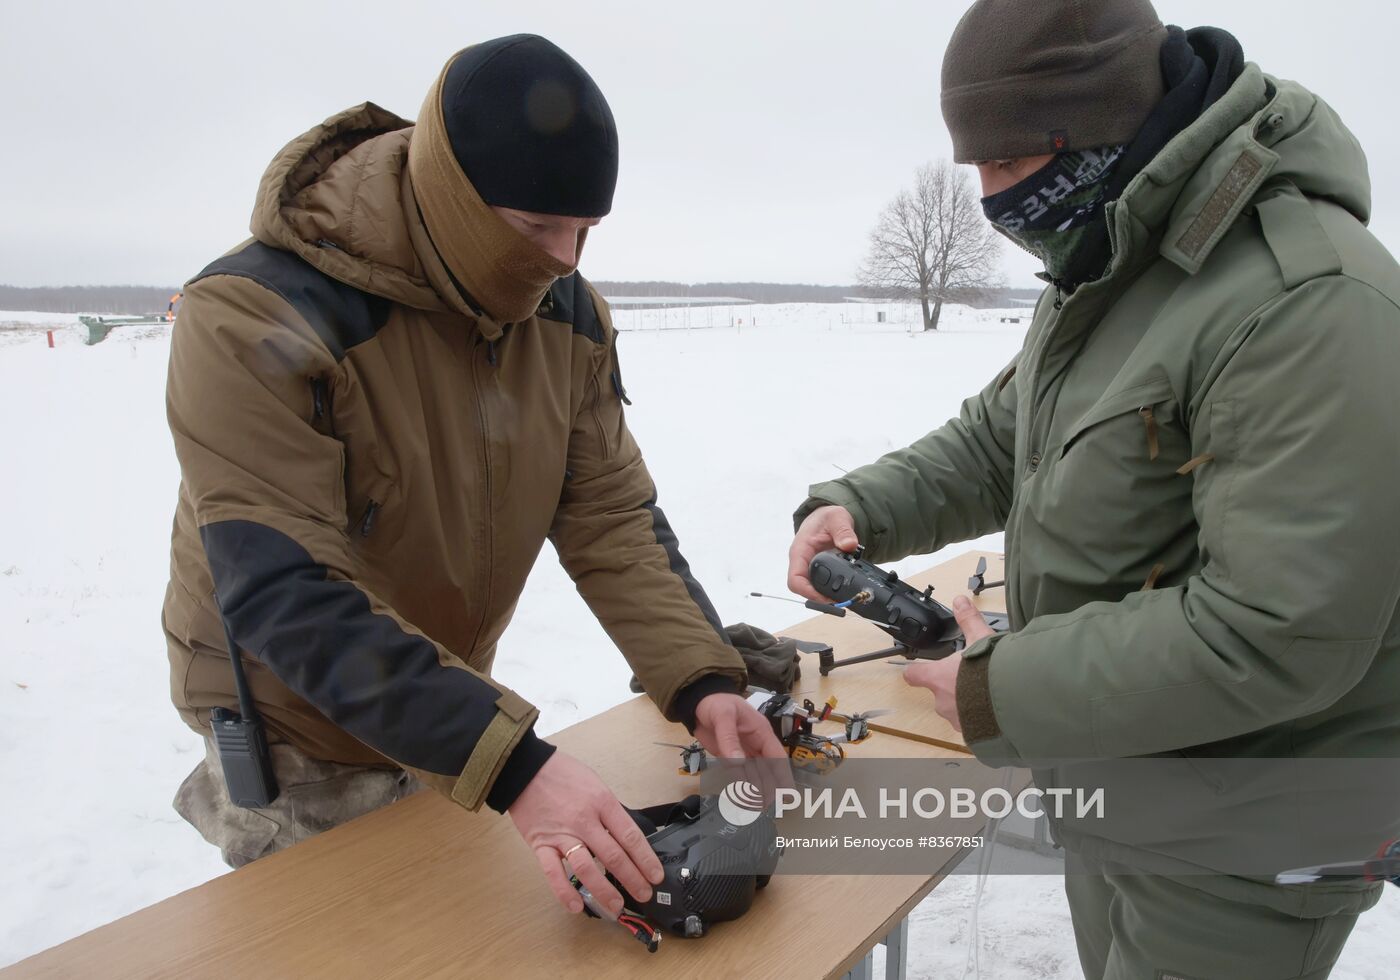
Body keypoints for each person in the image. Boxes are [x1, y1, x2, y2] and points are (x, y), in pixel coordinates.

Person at [788, 1, 1400, 976]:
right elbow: (1005, 438)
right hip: (1118, 774)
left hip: (1241, 837)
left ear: (1091, 134)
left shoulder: (1303, 298)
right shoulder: (1116, 267)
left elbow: (1278, 631)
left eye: (1004, 164)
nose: (991, 200)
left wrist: (1001, 688)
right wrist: (864, 501)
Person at [163, 35, 785, 919]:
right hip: (299, 732)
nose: (567, 260)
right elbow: (283, 593)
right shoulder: (256, 314)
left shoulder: (564, 316)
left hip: (446, 706)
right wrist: (515, 765)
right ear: (453, 196)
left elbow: (610, 515)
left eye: (586, 233)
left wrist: (701, 679)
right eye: (538, 229)